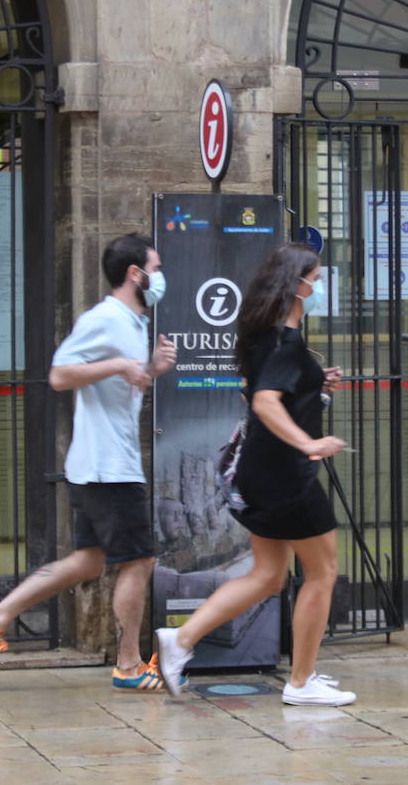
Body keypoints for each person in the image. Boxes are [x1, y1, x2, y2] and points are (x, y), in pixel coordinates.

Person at [0, 233, 177, 690]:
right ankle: (128, 664)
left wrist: (150, 370)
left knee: (87, 563)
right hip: (108, 467)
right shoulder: (105, 318)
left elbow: (124, 382)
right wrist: (119, 366)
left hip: (100, 462)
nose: (161, 278)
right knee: (138, 561)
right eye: (156, 269)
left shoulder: (133, 321)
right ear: (135, 274)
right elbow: (60, 374)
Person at [155, 242, 356, 706]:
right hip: (288, 476)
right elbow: (265, 401)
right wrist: (309, 443)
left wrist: (314, 385)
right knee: (323, 572)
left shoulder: (265, 337)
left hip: (262, 474)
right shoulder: (284, 342)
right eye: (319, 278)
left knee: (268, 574)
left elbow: (263, 394)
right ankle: (302, 682)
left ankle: (180, 640)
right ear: (298, 285)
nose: (322, 286)